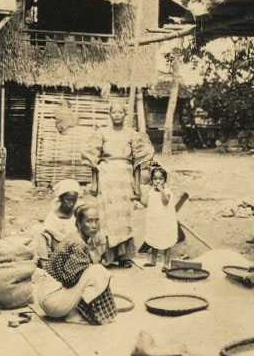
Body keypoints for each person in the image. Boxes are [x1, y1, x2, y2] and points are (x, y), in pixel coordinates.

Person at [82, 99, 154, 267]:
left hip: (125, 178)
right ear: (110, 114)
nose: (117, 115)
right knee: (106, 216)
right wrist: (94, 183)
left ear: (124, 114)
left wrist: (137, 185)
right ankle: (107, 256)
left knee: (124, 217)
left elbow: (137, 162)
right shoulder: (102, 133)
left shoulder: (132, 134)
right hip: (107, 177)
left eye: (120, 112)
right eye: (114, 112)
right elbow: (93, 158)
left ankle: (124, 257)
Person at [31, 204, 117, 323]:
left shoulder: (75, 237)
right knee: (98, 271)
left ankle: (72, 313)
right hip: (52, 301)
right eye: (89, 221)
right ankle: (74, 314)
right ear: (79, 224)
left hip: (47, 299)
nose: (94, 226)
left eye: (97, 221)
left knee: (91, 271)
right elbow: (69, 279)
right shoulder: (78, 244)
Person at [142, 165, 178, 269]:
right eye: (155, 179)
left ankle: (166, 264)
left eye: (160, 179)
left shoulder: (167, 191)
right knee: (154, 239)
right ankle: (153, 261)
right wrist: (138, 197)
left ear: (165, 180)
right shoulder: (151, 192)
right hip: (154, 220)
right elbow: (145, 204)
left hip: (165, 221)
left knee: (167, 241)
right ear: (152, 180)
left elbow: (165, 202)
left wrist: (162, 190)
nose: (158, 181)